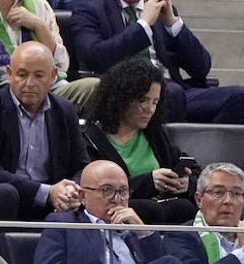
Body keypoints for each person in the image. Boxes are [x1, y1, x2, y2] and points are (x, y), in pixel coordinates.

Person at [72, 0, 244, 125]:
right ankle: (169, 153)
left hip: (176, 94)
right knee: (171, 93)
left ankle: (203, 153)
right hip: (125, 97)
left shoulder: (161, 10)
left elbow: (201, 67)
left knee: (241, 97)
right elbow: (95, 56)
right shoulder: (89, 10)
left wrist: (172, 23)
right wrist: (143, 25)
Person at [32, 159, 205, 264]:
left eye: (123, 191)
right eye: (106, 190)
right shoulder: (63, 224)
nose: (117, 198)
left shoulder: (132, 227)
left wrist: (143, 231)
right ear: (83, 196)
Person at [0, 40, 88, 222]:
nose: (29, 83)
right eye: (22, 75)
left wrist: (70, 190)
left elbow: (81, 166)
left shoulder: (65, 110)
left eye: (39, 76)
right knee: (6, 193)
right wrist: (47, 192)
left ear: (53, 76)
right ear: (9, 74)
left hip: (52, 202)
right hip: (6, 196)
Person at [83, 57, 198, 226]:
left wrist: (186, 183)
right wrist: (150, 182)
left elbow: (193, 168)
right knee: (147, 208)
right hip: (118, 214)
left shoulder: (154, 133)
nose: (150, 109)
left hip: (165, 210)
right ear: (121, 98)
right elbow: (99, 190)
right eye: (143, 101)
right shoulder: (91, 139)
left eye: (155, 102)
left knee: (185, 207)